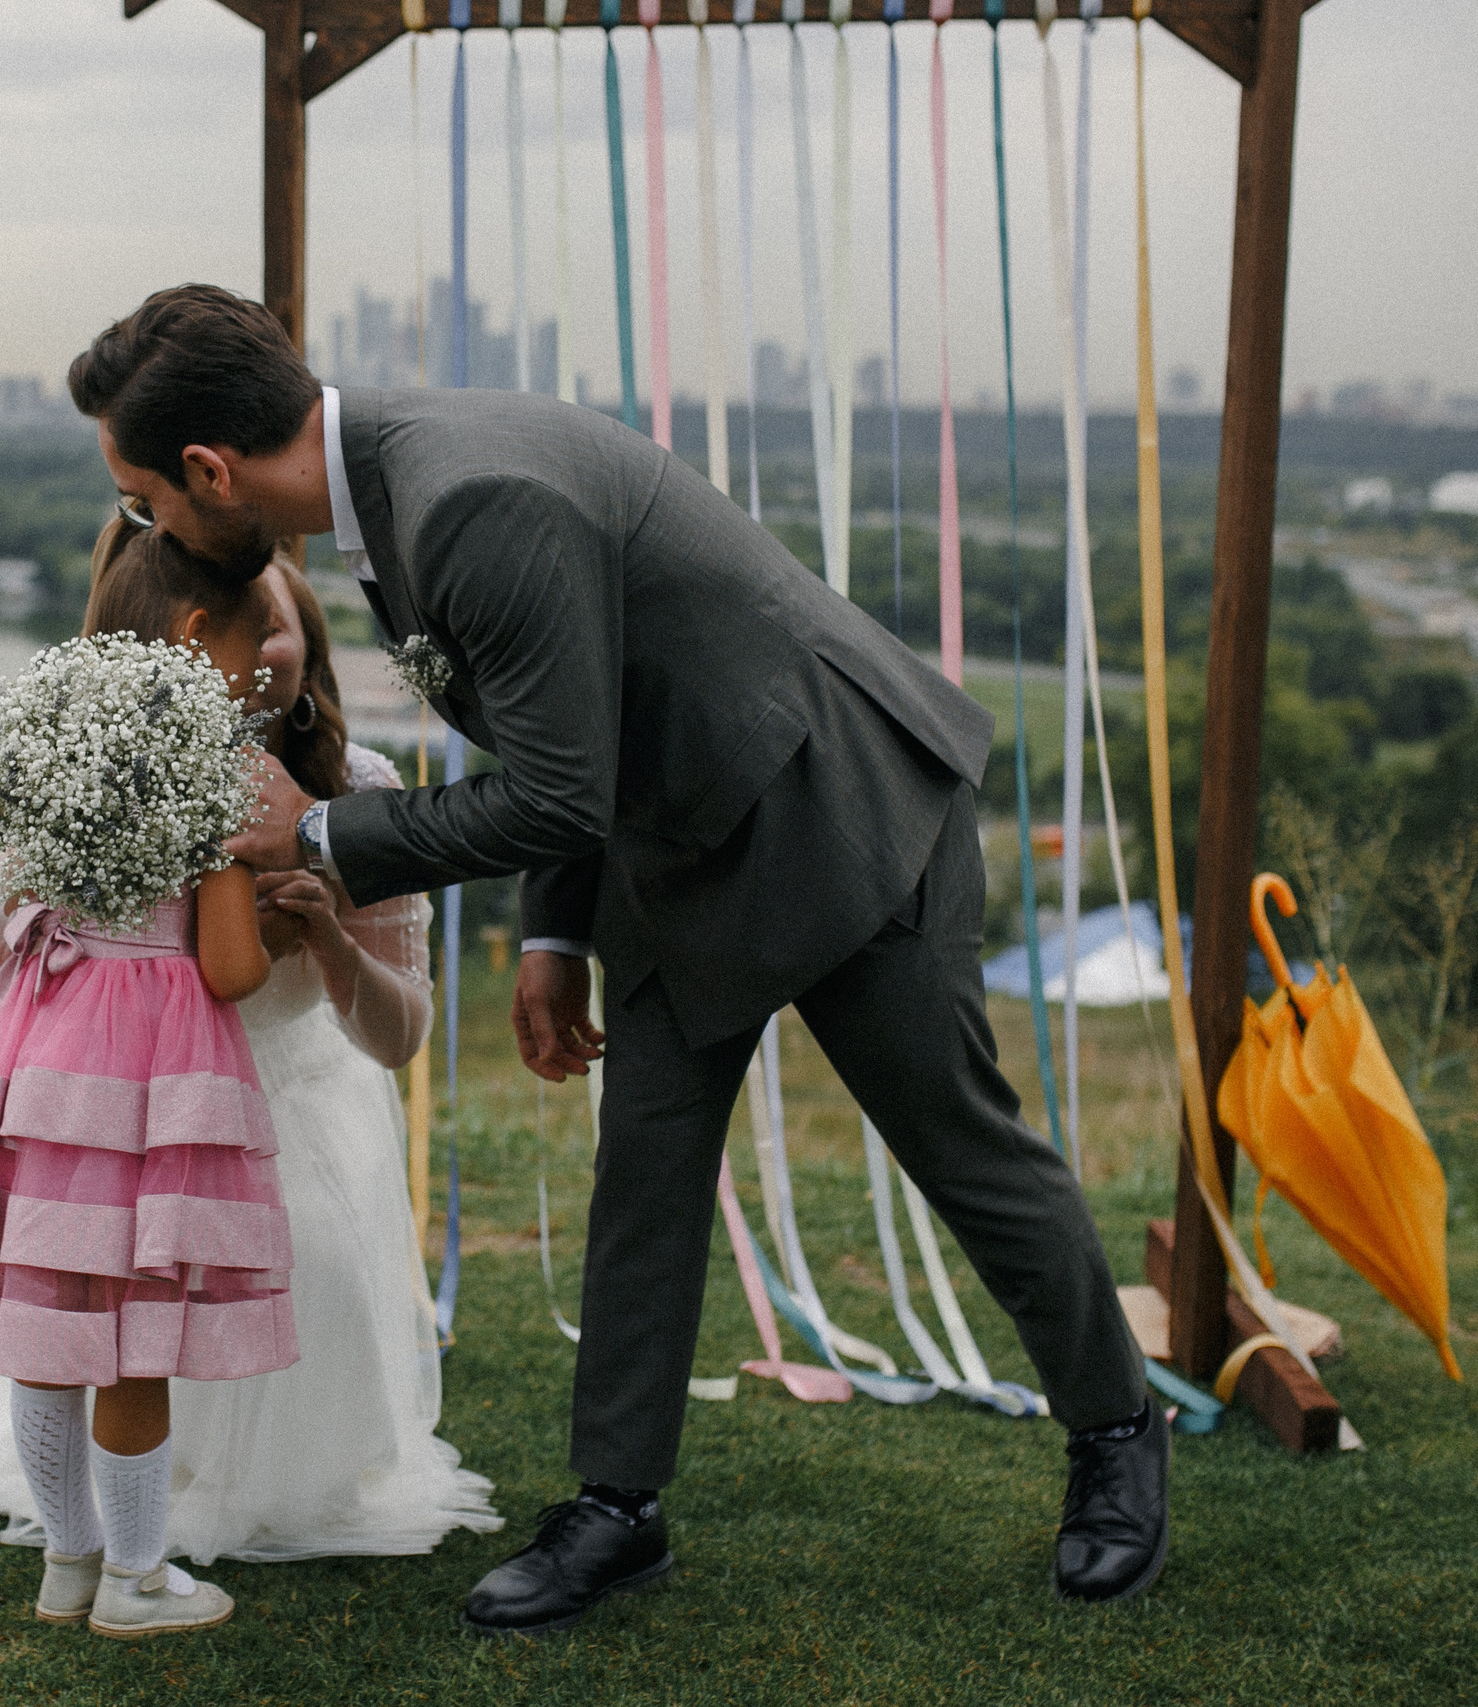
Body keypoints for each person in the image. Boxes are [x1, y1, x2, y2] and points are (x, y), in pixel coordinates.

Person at [64, 284, 1167, 1634]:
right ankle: (615, 1509)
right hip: (674, 839)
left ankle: (1117, 1433)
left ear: (210, 469)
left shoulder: (463, 496)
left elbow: (558, 789)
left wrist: (323, 828)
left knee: (958, 1140)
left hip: (833, 804)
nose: (150, 532)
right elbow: (572, 724)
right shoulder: (383, 491)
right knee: (643, 1172)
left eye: (145, 502)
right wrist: (554, 933)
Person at [0, 551, 501, 1565]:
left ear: (309, 652)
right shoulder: (108, 776)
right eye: (232, 629)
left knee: (308, 1270)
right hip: (121, 1108)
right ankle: (117, 1545)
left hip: (284, 1115)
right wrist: (56, 830)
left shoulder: (362, 793)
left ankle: (109, 1547)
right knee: (102, 1311)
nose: (249, 652)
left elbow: (399, 1038)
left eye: (273, 629)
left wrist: (331, 938)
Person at [0, 521, 288, 1640]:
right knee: (135, 1331)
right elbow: (228, 968)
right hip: (148, 1070)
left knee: (50, 1323)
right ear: (190, 636)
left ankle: (68, 1565)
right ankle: (138, 1576)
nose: (261, 665)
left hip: (43, 1054)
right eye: (251, 644)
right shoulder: (209, 780)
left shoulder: (52, 758)